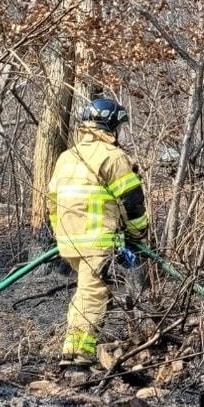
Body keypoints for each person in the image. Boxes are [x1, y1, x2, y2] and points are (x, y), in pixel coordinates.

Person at [47, 96, 149, 368]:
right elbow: (132, 202)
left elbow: (51, 202)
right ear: (111, 126)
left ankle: (77, 348)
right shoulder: (113, 157)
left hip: (69, 243)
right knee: (93, 297)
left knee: (85, 293)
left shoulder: (66, 158)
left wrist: (61, 234)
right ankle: (76, 356)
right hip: (96, 241)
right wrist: (139, 234)